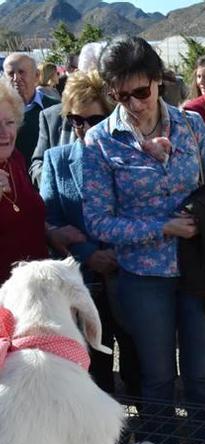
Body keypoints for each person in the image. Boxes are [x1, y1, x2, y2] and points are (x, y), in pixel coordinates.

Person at [82, 36, 205, 422]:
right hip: (143, 276)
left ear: (158, 80)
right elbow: (97, 220)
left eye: (141, 91)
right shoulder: (99, 141)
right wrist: (162, 227)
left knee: (201, 377)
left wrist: (195, 218)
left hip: (199, 268)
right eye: (121, 96)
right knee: (158, 379)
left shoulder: (192, 125)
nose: (134, 104)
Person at [38, 69, 140, 396]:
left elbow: (139, 212)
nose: (84, 128)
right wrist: (89, 255)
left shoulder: (131, 157)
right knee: (94, 367)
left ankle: (149, 434)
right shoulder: (57, 160)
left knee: (137, 357)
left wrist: (115, 253)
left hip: (127, 273)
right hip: (82, 280)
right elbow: (51, 217)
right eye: (75, 120)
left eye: (93, 119)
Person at [0, 79, 47, 282]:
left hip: (37, 286)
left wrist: (53, 233)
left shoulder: (15, 158)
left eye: (9, 123)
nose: (4, 133)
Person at [4, 53, 60, 173]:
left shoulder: (55, 108)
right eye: (10, 74)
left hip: (45, 181)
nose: (16, 78)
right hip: (12, 182)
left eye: (21, 72)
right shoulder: (2, 112)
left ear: (36, 76)